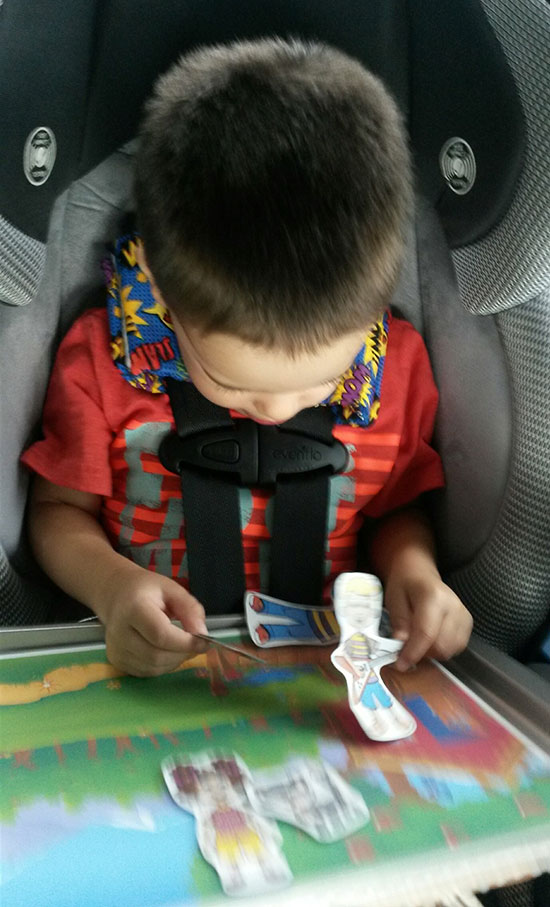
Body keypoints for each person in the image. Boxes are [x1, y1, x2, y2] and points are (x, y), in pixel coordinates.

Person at [22, 38, 473, 677]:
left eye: (323, 381)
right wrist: (110, 588)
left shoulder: (396, 369)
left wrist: (413, 570)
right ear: (161, 290)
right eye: (235, 384)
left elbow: (394, 507)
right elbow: (57, 512)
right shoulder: (101, 363)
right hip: (146, 655)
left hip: (321, 671)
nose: (280, 411)